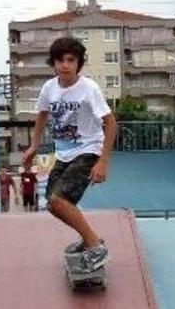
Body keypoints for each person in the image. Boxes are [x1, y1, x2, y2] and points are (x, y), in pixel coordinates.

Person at [22, 37, 117, 273]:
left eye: (71, 60)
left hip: (89, 149)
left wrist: (103, 162)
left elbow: (111, 123)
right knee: (53, 204)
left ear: (78, 64)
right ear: (53, 63)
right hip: (64, 153)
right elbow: (42, 116)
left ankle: (95, 246)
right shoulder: (49, 88)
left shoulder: (89, 89)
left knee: (58, 200)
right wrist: (34, 146)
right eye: (60, 60)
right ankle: (89, 239)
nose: (65, 65)